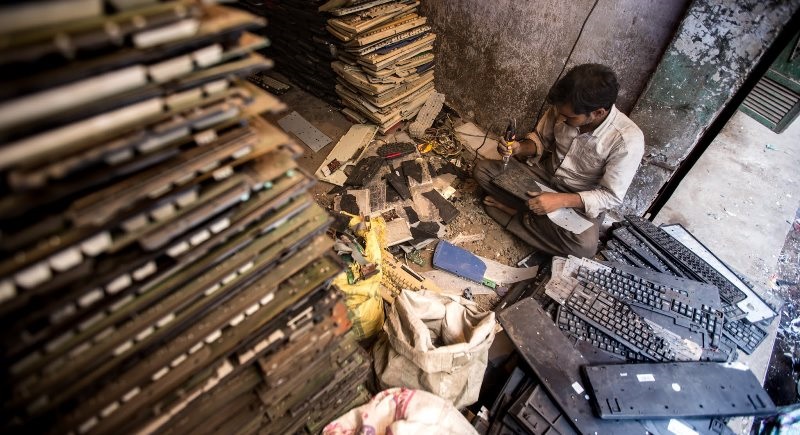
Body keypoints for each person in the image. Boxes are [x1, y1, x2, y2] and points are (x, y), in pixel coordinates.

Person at [473, 63, 644, 258]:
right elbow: (539, 140)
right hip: (542, 177)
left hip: (576, 201)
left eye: (569, 116)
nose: (560, 117)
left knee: (584, 248)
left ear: (598, 113)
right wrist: (519, 148)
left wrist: (560, 200)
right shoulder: (564, 107)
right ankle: (534, 219)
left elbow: (610, 196)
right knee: (482, 170)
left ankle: (513, 213)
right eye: (559, 112)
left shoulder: (627, 140)